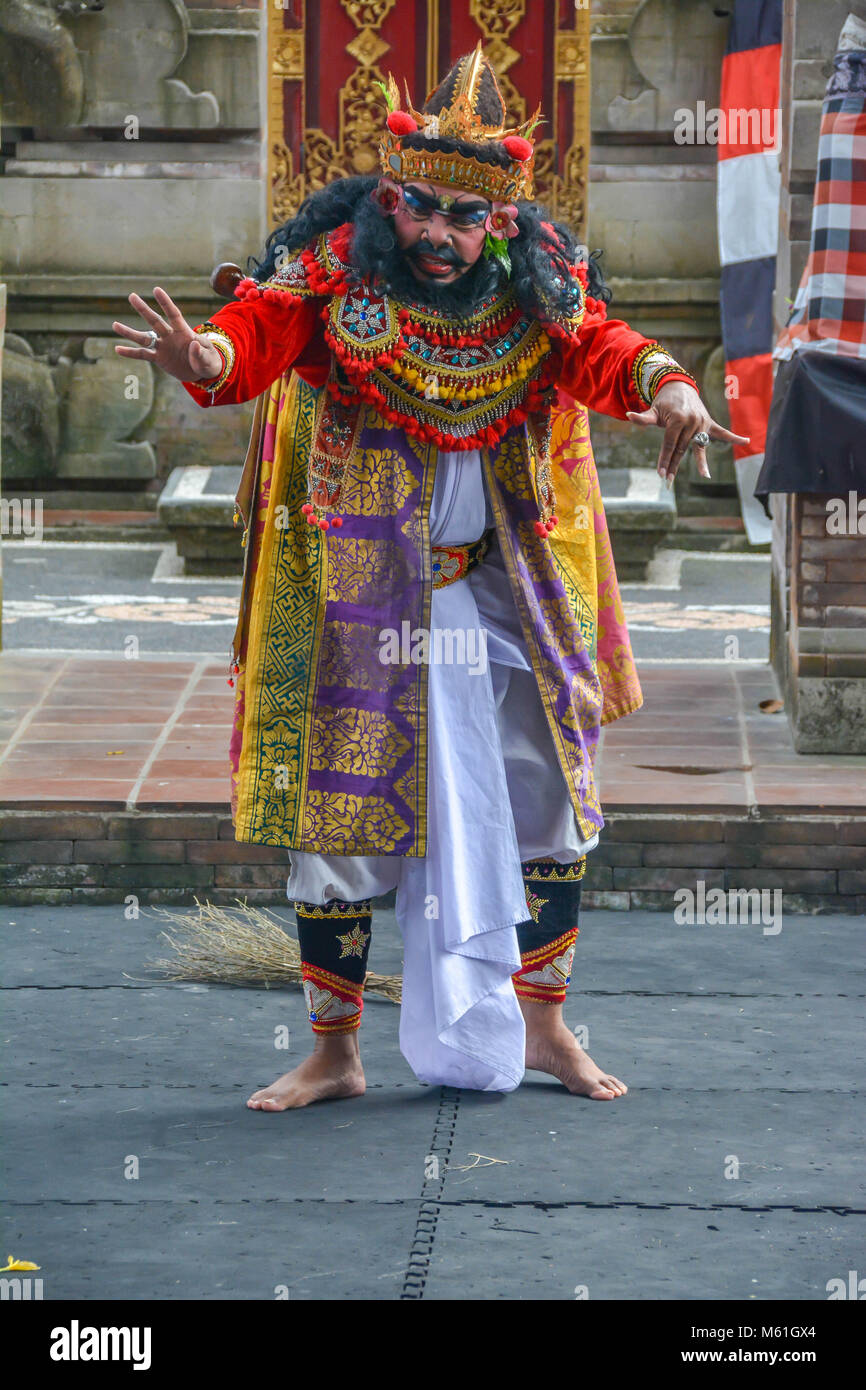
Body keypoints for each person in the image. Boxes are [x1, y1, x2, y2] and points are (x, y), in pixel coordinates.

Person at [114, 46, 746, 1110]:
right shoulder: (331, 273)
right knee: (338, 824)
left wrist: (668, 385)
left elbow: (601, 343)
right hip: (363, 607)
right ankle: (334, 1052)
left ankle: (543, 1029)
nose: (438, 237)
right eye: (419, 211)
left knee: (549, 804)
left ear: (496, 221)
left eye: (463, 217)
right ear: (388, 199)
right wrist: (201, 361)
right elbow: (253, 335)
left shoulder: (535, 284)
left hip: (505, 595)